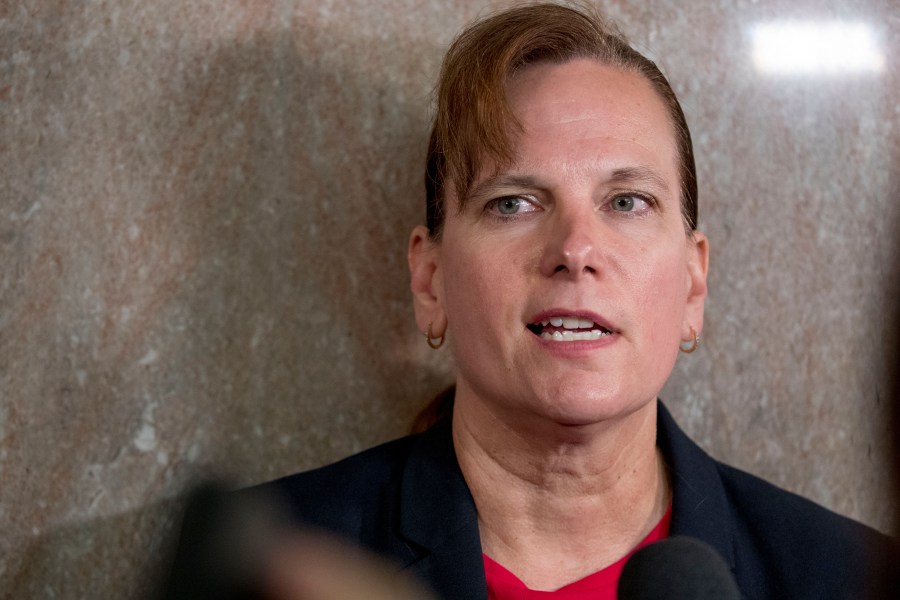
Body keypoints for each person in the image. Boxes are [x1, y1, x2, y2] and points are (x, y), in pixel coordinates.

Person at [165, 4, 894, 599]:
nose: (576, 247)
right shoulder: (271, 565)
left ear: (694, 284)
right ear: (430, 281)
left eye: (627, 201)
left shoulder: (849, 577)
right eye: (514, 202)